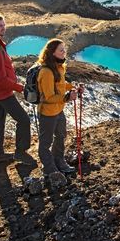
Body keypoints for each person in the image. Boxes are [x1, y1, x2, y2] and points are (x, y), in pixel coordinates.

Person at [0, 14, 36, 166]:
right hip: (3, 92)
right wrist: (21, 88)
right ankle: (21, 152)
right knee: (23, 120)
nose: (3, 28)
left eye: (4, 25)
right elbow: (1, 79)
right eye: (0, 26)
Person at [35, 38, 78, 182]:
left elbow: (60, 84)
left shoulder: (59, 67)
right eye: (61, 50)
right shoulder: (46, 71)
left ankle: (59, 161)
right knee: (45, 142)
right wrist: (66, 98)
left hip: (59, 110)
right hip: (47, 112)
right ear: (52, 53)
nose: (64, 51)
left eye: (64, 48)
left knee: (60, 136)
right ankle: (49, 168)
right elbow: (48, 97)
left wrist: (72, 87)